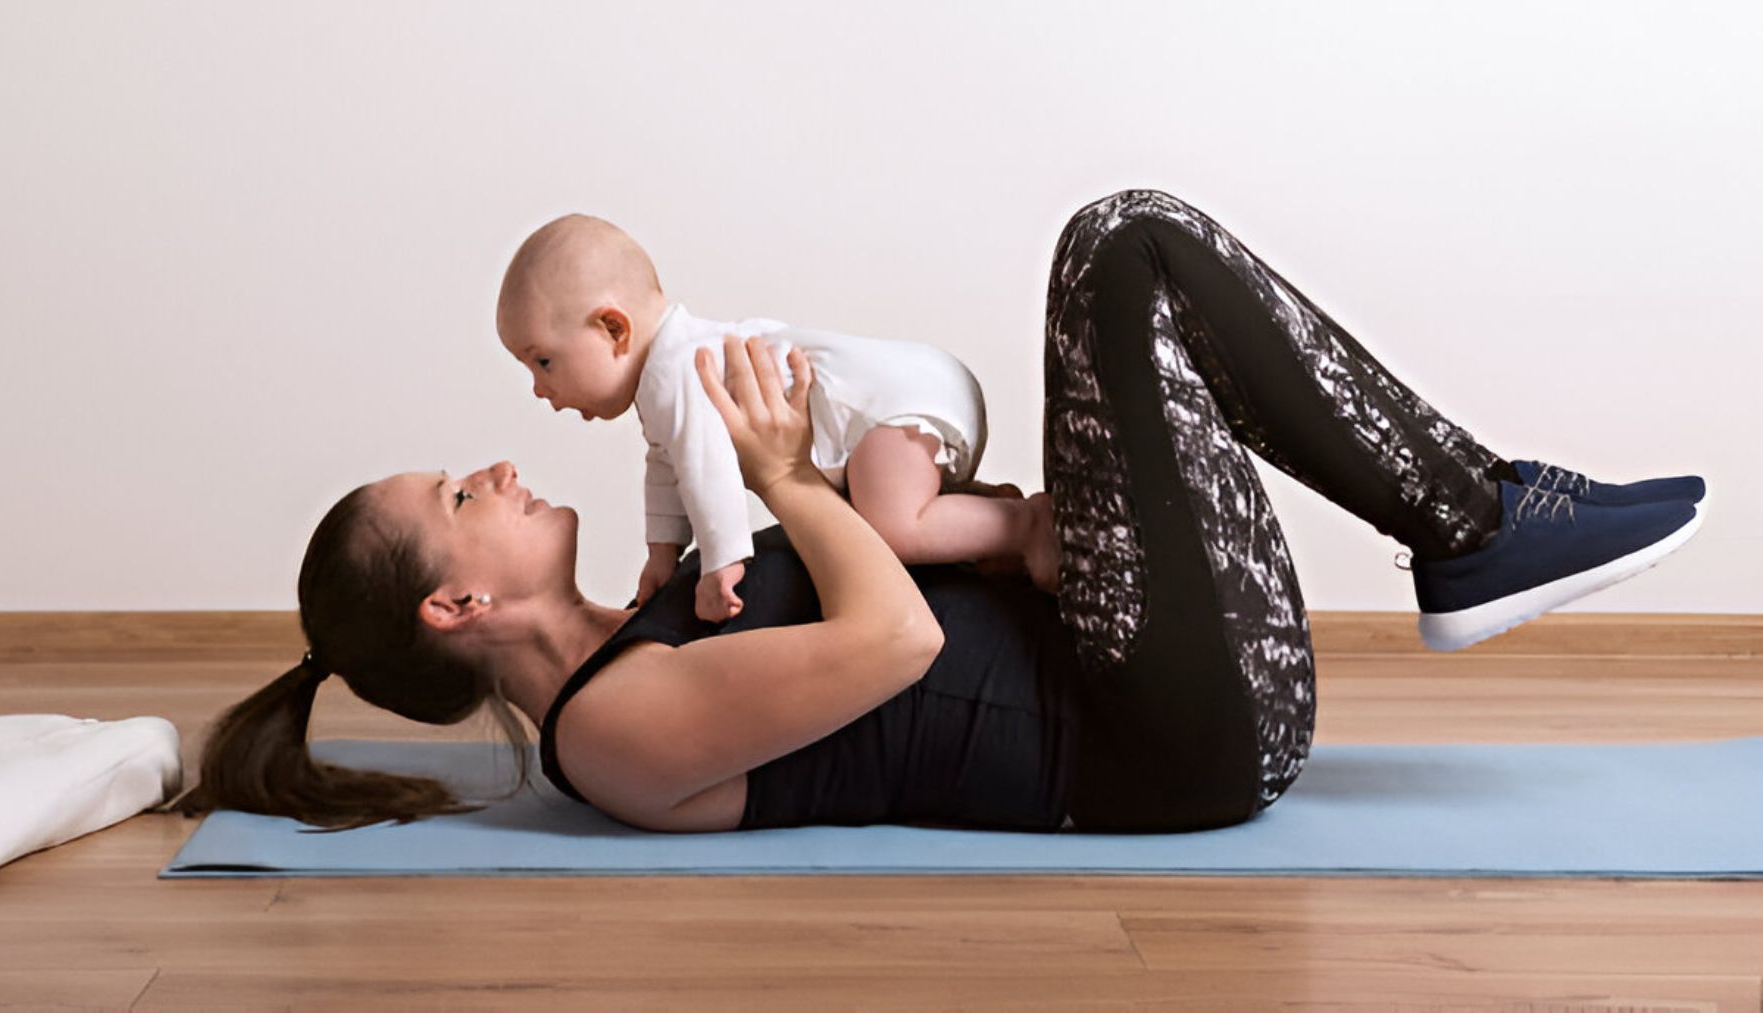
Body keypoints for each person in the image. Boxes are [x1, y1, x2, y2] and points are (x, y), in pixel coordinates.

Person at [172, 190, 1704, 836]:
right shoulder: (609, 735)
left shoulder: (665, 599)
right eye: (456, 496)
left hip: (1140, 645)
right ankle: (1476, 526)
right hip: (1167, 734)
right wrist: (783, 483)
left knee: (1133, 247)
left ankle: (1483, 515)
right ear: (456, 606)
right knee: (1114, 250)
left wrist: (868, 475)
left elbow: (888, 562)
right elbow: (895, 637)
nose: (497, 466)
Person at [495, 214, 1057, 624]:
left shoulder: (676, 370)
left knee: (890, 527)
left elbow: (704, 468)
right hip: (918, 393)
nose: (541, 389)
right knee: (873, 516)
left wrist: (722, 565)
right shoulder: (671, 372)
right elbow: (667, 465)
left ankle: (1027, 526)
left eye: (543, 361)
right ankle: (986, 519)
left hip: (894, 408)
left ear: (613, 329)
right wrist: (661, 555)